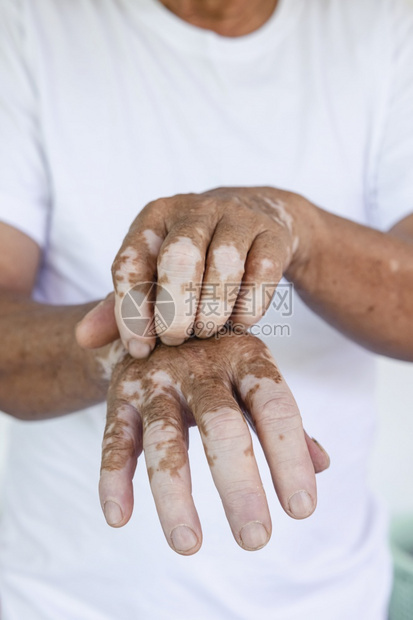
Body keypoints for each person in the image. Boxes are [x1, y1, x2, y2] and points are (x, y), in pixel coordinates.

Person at [0, 0, 412, 618]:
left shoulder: (384, 29)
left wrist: (298, 229)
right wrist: (133, 342)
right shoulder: (31, 26)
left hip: (327, 597)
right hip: (65, 598)